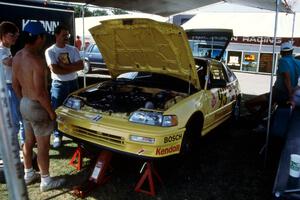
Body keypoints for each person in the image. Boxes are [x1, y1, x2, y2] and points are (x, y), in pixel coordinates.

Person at [12, 21, 65, 192]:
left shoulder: (18, 56)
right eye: (43, 37)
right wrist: (51, 112)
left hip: (24, 103)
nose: (44, 41)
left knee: (27, 141)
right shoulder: (37, 61)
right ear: (39, 38)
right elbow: (41, 93)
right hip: (36, 105)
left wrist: (23, 100)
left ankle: (29, 173)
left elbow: (14, 84)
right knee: (42, 146)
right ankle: (46, 180)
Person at [245, 41, 300, 128]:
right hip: (282, 93)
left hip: (278, 93)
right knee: (263, 107)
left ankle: (260, 123)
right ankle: (260, 121)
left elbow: (287, 78)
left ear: (281, 52)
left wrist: (290, 95)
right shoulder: (297, 62)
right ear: (292, 51)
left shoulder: (283, 60)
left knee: (248, 104)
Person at [45, 25, 83, 148]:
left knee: (75, 110)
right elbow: (55, 70)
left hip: (73, 83)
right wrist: (71, 67)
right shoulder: (50, 51)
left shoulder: (73, 49)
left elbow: (81, 66)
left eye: (67, 35)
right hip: (59, 85)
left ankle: (75, 134)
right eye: (64, 35)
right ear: (56, 35)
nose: (66, 37)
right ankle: (57, 135)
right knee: (57, 111)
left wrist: (64, 66)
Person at [0, 21, 25, 147]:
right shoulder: (1, 50)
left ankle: (23, 144)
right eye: (12, 35)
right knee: (14, 120)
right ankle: (12, 146)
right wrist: (24, 55)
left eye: (17, 35)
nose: (15, 37)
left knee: (20, 117)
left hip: (12, 86)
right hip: (8, 87)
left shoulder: (6, 49)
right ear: (3, 35)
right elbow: (9, 63)